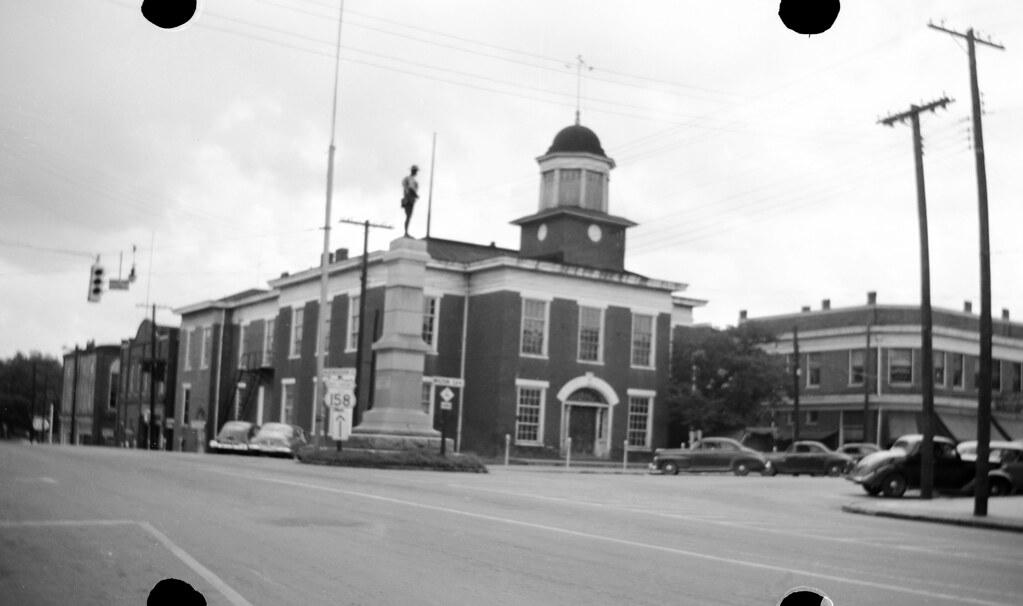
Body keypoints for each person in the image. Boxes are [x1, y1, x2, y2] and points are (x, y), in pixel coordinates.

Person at [400, 165, 419, 237]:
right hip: (408, 198)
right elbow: (410, 189)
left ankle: (406, 232)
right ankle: (406, 232)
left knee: (409, 216)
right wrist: (416, 195)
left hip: (410, 199)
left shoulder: (412, 180)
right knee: (408, 216)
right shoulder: (409, 179)